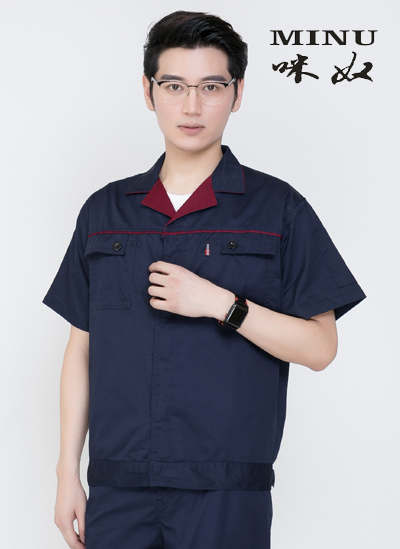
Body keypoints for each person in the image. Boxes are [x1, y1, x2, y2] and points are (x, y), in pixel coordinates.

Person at [43, 10, 366, 549]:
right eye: (174, 86)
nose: (192, 106)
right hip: (119, 486)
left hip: (227, 490)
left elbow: (320, 347)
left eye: (211, 87)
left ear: (237, 93)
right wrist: (66, 474)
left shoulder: (279, 209)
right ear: (149, 91)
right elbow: (81, 349)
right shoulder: (104, 212)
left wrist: (222, 305)